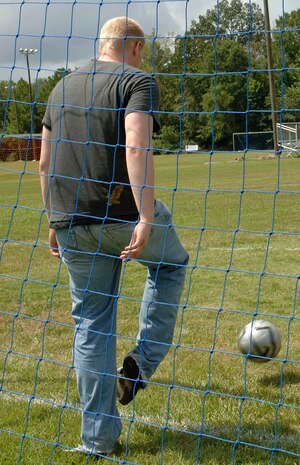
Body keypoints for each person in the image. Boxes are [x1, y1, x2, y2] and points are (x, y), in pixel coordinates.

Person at [39, 17, 189, 455]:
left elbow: (45, 163)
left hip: (70, 223)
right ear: (136, 47)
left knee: (91, 323)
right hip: (122, 214)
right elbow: (137, 144)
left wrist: (54, 219)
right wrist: (145, 215)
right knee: (171, 265)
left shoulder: (59, 87)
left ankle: (99, 441)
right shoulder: (137, 81)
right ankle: (138, 367)